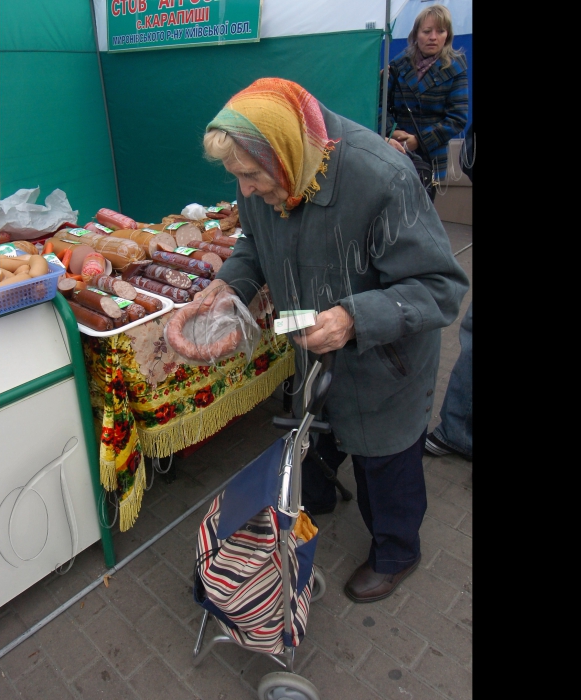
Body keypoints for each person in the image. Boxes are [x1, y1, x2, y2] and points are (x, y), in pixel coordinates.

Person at [193, 77, 469, 603]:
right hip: (313, 352)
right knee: (315, 434)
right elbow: (254, 240)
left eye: (250, 176)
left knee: (385, 462)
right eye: (238, 178)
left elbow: (441, 288)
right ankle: (316, 495)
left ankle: (396, 549)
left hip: (385, 361)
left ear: (288, 151)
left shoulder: (382, 177)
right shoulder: (266, 167)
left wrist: (353, 317)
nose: (245, 189)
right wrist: (232, 283)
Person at [425, 122, 473, 461]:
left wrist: (419, 138)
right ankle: (456, 428)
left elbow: (457, 118)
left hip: (426, 158)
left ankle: (456, 430)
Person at [383, 4, 468, 191]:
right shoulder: (398, 65)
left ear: (448, 35)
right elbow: (380, 106)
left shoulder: (456, 68)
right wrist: (392, 132)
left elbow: (457, 118)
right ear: (415, 34)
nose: (433, 37)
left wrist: (419, 141)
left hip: (431, 157)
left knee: (422, 214)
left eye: (440, 31)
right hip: (396, 153)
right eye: (427, 31)